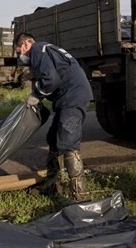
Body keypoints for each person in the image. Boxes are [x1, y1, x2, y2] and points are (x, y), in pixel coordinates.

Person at [14, 31, 93, 201]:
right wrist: (34, 75)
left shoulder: (37, 50)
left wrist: (36, 95)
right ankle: (52, 184)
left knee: (68, 142)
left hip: (73, 97)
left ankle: (80, 196)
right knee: (53, 138)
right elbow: (55, 70)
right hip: (68, 98)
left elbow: (51, 80)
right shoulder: (45, 49)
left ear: (27, 44)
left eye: (19, 51)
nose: (20, 56)